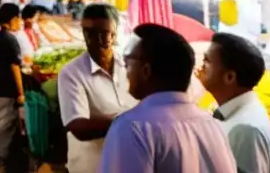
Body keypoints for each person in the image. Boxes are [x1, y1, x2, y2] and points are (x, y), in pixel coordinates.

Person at [99, 24, 236, 172]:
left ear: (146, 70)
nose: (124, 69)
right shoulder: (212, 125)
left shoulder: (133, 127)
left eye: (127, 62)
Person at [57, 3, 136, 173]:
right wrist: (128, 122)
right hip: (91, 166)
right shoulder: (71, 73)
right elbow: (78, 126)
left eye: (104, 34)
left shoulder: (130, 66)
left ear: (115, 34)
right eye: (89, 33)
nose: (96, 41)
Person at [201, 33, 270, 173]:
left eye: (207, 61)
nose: (201, 67)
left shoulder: (245, 130)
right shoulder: (230, 112)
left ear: (230, 77)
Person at [0, 3, 26, 173]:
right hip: (6, 92)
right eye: (18, 19)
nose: (20, 23)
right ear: (12, 19)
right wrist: (21, 93)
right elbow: (15, 68)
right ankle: (0, 164)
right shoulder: (10, 40)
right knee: (3, 130)